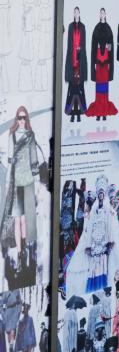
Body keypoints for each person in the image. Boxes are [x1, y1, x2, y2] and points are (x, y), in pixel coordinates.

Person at [4, 105, 43, 256]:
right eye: (19, 117)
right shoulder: (12, 137)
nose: (21, 120)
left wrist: (37, 181)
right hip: (15, 183)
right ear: (16, 119)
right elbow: (9, 162)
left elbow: (34, 158)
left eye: (23, 117)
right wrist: (7, 182)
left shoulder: (30, 135)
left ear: (26, 119)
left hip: (28, 182)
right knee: (17, 220)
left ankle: (25, 248)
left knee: (25, 219)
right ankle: (20, 253)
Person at [86, 9, 117, 121]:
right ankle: (99, 112)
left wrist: (108, 51)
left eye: (103, 13)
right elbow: (93, 47)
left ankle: (104, 112)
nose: (102, 14)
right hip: (98, 63)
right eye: (101, 13)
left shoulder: (108, 28)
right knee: (98, 88)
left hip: (106, 63)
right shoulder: (96, 28)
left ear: (105, 14)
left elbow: (111, 46)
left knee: (105, 88)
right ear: (99, 15)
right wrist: (95, 60)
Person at [64, 8, 88, 122]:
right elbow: (69, 45)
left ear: (79, 13)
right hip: (72, 60)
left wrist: (81, 53)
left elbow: (84, 45)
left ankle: (79, 114)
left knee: (80, 89)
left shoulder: (83, 27)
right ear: (73, 14)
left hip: (80, 61)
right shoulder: (70, 26)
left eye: (77, 12)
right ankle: (72, 114)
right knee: (72, 89)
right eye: (75, 12)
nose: (76, 13)